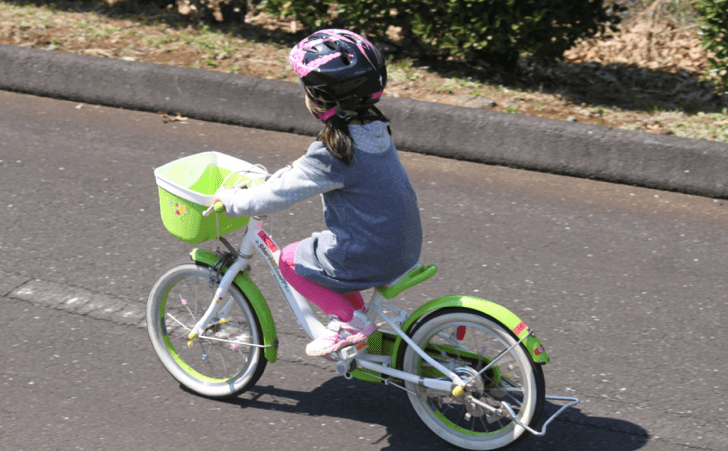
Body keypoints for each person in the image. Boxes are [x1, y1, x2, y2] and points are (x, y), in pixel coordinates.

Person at [212, 29, 423, 357]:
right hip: (404, 247)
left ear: (323, 97)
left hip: (372, 254)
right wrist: (271, 180)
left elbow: (280, 194)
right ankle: (353, 320)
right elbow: (297, 173)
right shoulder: (375, 130)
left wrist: (233, 201)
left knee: (291, 259)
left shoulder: (336, 152)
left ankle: (352, 323)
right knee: (323, 251)